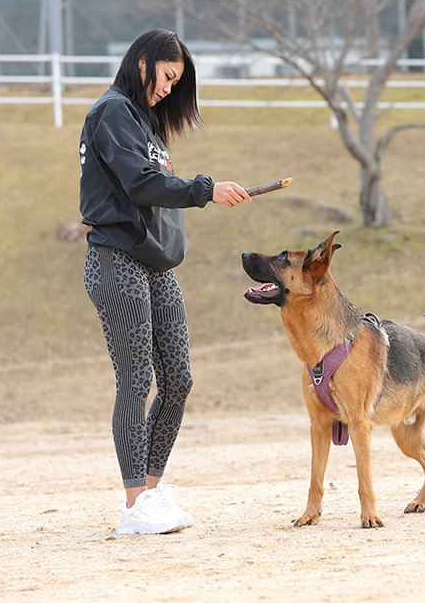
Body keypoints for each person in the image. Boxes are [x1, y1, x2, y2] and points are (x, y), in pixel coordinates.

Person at [79, 28, 251, 535]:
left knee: (178, 380)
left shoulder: (145, 126)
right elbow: (142, 184)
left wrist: (199, 192)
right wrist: (206, 189)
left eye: (177, 83)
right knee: (135, 381)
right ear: (143, 63)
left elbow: (156, 189)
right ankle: (135, 504)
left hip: (156, 266)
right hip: (117, 260)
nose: (169, 89)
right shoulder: (111, 112)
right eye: (168, 77)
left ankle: (152, 490)